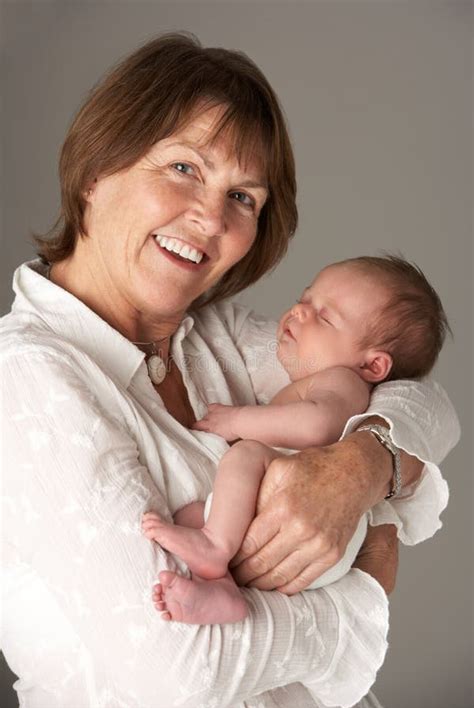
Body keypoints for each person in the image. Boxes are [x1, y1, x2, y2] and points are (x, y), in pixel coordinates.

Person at [0, 33, 459, 708]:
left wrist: (360, 466)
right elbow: (179, 669)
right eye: (184, 167)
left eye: (243, 197)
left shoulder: (211, 338)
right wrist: (358, 604)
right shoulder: (26, 380)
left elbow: (424, 400)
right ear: (97, 172)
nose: (211, 217)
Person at [141, 254, 450, 624]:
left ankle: (215, 546)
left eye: (324, 316)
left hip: (314, 529)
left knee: (248, 455)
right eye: (305, 299)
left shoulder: (342, 382)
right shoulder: (315, 373)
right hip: (293, 538)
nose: (299, 312)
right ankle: (223, 590)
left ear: (372, 366)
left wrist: (239, 419)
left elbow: (316, 426)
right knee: (190, 514)